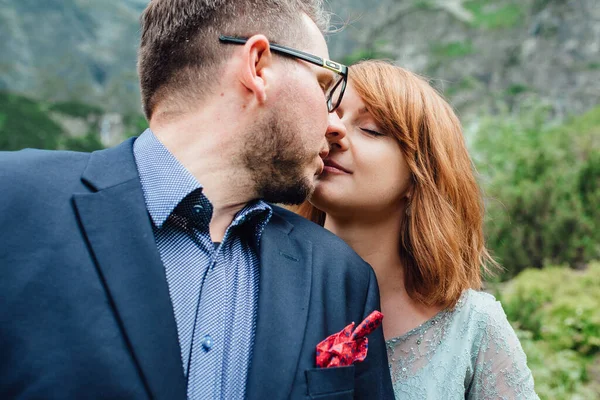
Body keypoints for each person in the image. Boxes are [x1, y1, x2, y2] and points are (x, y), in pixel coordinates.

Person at [0, 1, 394, 399]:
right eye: (324, 87)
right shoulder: (12, 202)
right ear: (258, 66)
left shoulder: (342, 277)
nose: (332, 125)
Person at [297, 60, 539, 399]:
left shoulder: (473, 327)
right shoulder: (260, 285)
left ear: (418, 175)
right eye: (328, 114)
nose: (332, 130)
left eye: (370, 129)